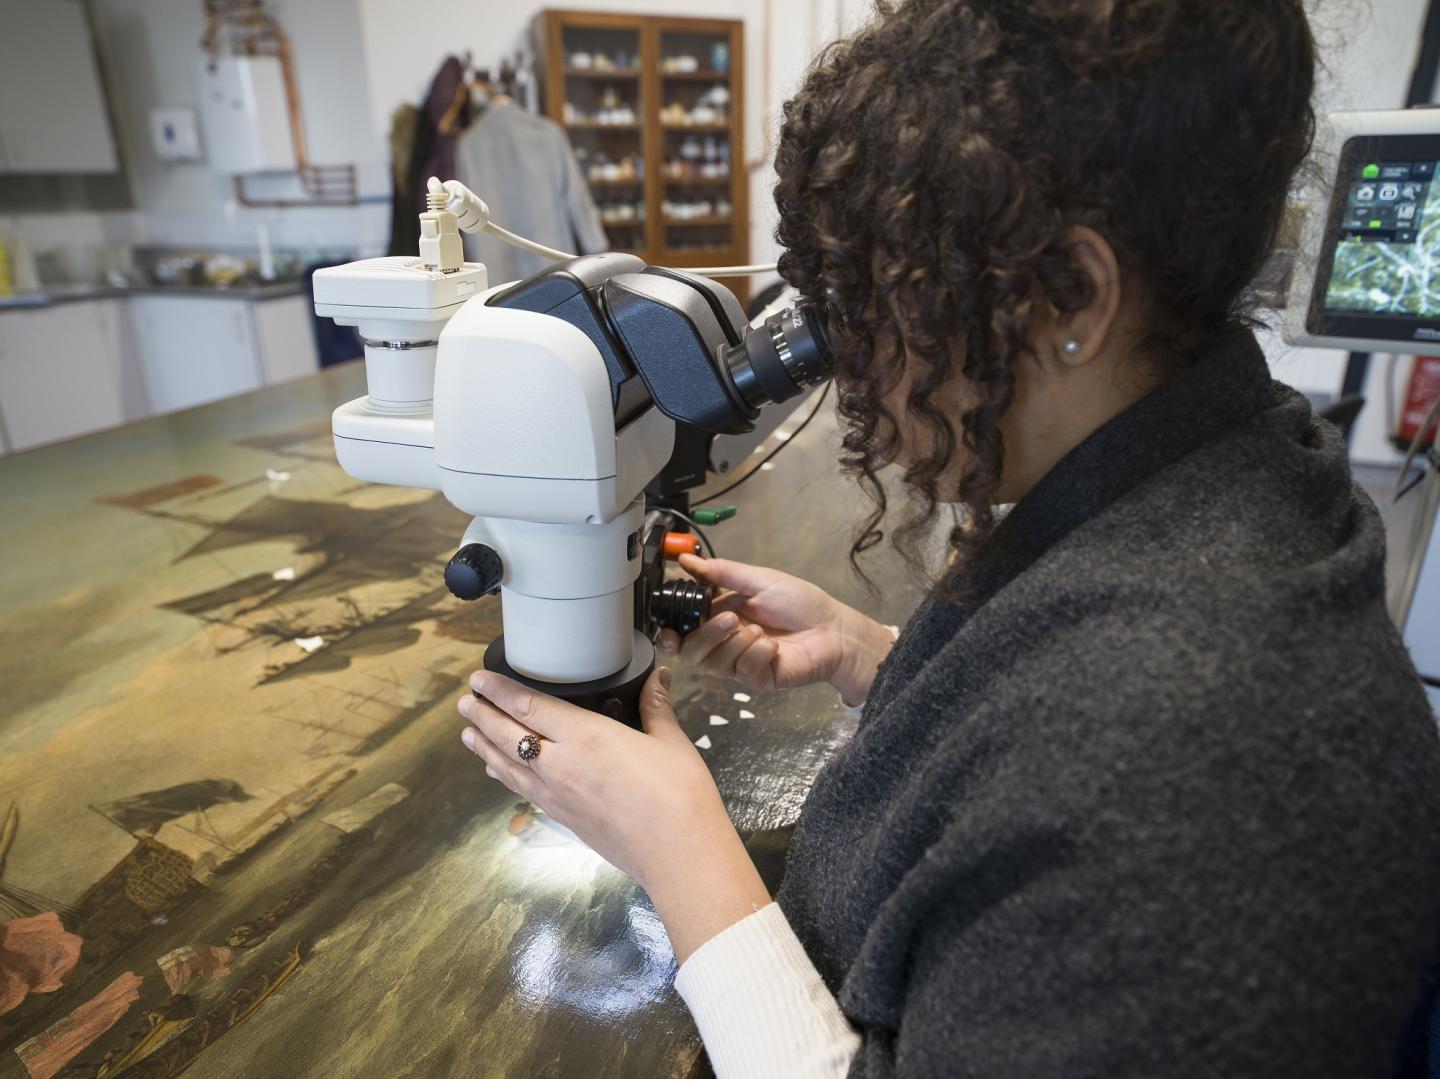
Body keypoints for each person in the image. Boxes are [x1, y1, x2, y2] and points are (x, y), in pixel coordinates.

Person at [455, 1, 1440, 1075]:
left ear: (1071, 294)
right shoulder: (1236, 467)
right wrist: (887, 661)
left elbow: (1114, 766)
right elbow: (1056, 707)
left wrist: (677, 846)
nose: (857, 376)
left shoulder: (1194, 772)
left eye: (881, 306)